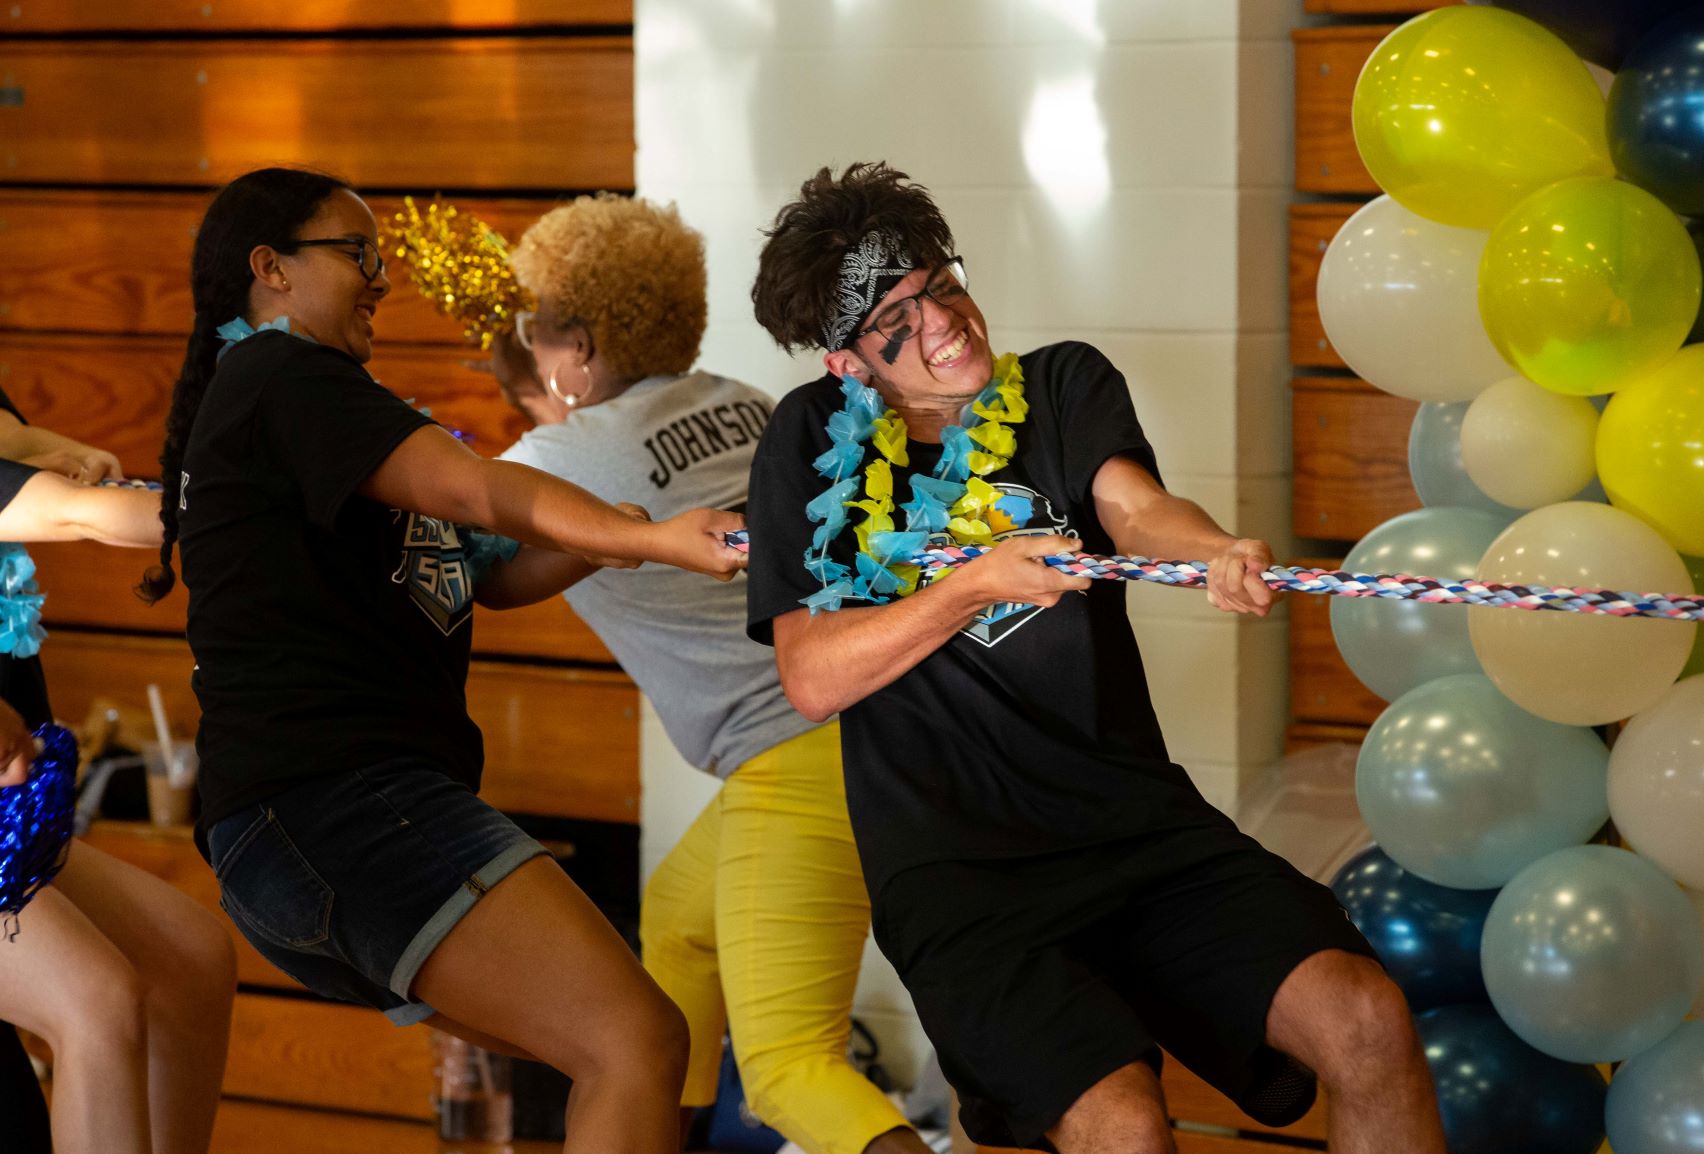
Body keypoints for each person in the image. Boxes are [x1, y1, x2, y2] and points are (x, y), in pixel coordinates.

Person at [745, 163, 1447, 1154]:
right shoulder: (807, 444)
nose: (942, 317)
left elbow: (1134, 508)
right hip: (962, 874)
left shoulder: (1060, 383)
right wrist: (968, 586)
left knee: (1366, 1018)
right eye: (896, 317)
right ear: (848, 364)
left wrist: (1213, 553)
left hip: (1135, 826)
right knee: (1121, 1122)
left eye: (940, 282)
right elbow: (811, 674)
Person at [144, 167, 745, 1154]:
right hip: (339, 809)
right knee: (636, 1038)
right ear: (272, 269)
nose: (381, 277)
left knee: (604, 1052)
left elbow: (482, 574)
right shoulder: (282, 376)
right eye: (357, 254)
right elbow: (473, 492)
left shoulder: (307, 399)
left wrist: (604, 534)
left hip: (303, 834)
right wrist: (661, 540)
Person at [485, 193, 933, 1154]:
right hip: (879, 729)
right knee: (679, 933)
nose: (531, 354)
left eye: (537, 333)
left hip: (797, 759)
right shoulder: (740, 400)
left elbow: (470, 564)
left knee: (788, 1073)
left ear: (581, 349)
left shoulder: (555, 458)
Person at [0, 393, 237, 1154]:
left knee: (193, 958)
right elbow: (80, 515)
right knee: (96, 1001)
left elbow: (15, 441)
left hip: (12, 815)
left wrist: (52, 446)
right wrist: (265, 502)